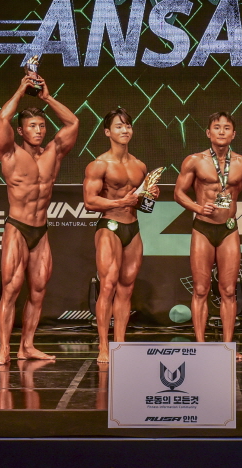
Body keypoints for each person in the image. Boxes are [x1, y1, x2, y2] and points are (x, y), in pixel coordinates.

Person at [0, 71, 78, 367]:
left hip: (41, 231)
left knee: (38, 291)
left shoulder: (54, 152)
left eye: (41, 126)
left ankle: (26, 346)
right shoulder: (9, 153)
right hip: (18, 228)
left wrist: (47, 97)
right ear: (21, 131)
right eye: (32, 126)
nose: (39, 131)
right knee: (11, 289)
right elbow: (3, 119)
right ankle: (4, 349)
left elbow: (73, 123)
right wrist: (20, 89)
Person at [174, 111, 242, 358]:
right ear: (208, 132)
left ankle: (227, 346)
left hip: (228, 230)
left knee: (228, 290)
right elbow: (179, 193)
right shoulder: (194, 161)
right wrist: (196, 207)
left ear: (233, 134)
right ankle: (200, 345)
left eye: (226, 128)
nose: (222, 131)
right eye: (217, 127)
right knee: (200, 289)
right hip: (202, 229)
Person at [83, 107, 158, 364]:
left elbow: (143, 206)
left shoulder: (139, 166)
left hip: (132, 227)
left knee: (126, 289)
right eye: (118, 126)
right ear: (107, 132)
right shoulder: (99, 164)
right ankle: (104, 346)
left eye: (127, 125)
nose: (124, 130)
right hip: (110, 226)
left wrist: (150, 197)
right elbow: (89, 202)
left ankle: (120, 344)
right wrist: (119, 202)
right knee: (108, 286)